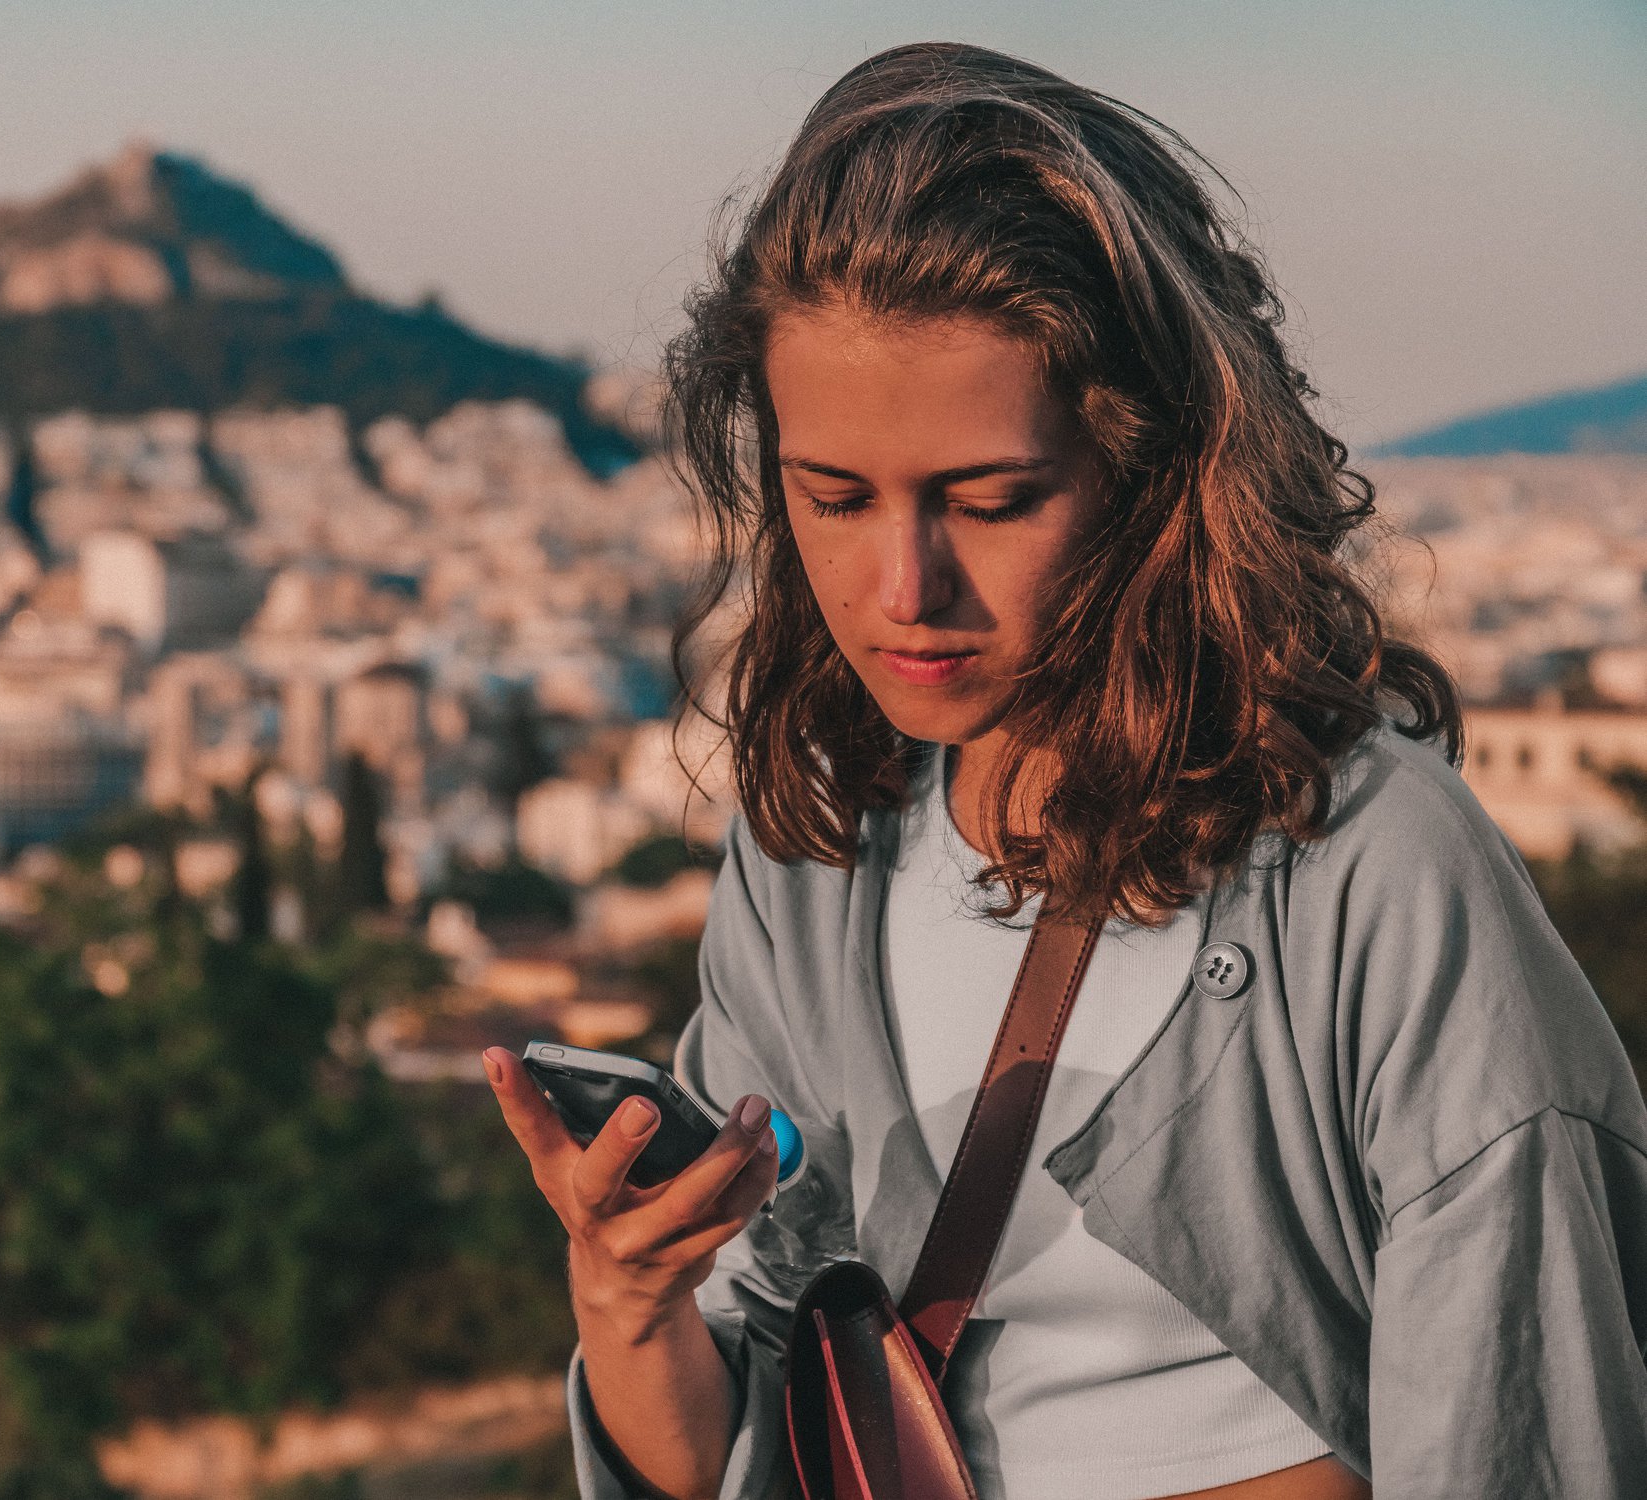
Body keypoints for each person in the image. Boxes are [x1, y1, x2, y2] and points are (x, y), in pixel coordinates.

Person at [481, 42, 1647, 1500]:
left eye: (989, 500)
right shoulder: (815, 850)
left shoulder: (1369, 871)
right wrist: (629, 1299)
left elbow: (1519, 1426)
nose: (903, 585)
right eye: (831, 496)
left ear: (1153, 473)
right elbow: (744, 1445)